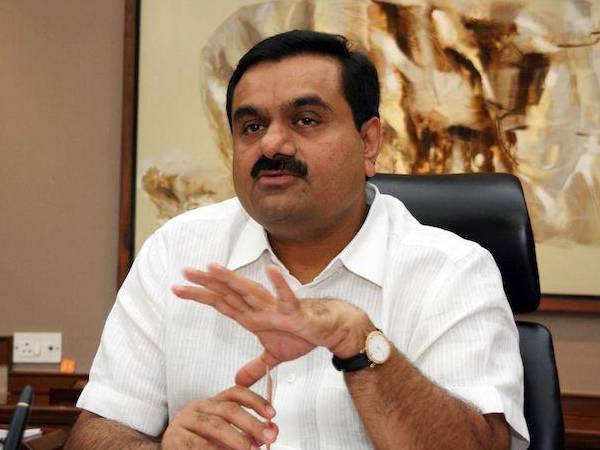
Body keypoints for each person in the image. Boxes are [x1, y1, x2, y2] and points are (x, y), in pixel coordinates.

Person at [66, 30, 529, 450]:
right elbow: (95, 434)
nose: (271, 145)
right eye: (252, 127)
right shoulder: (176, 252)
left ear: (369, 142)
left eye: (306, 120)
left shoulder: (452, 269)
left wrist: (359, 342)